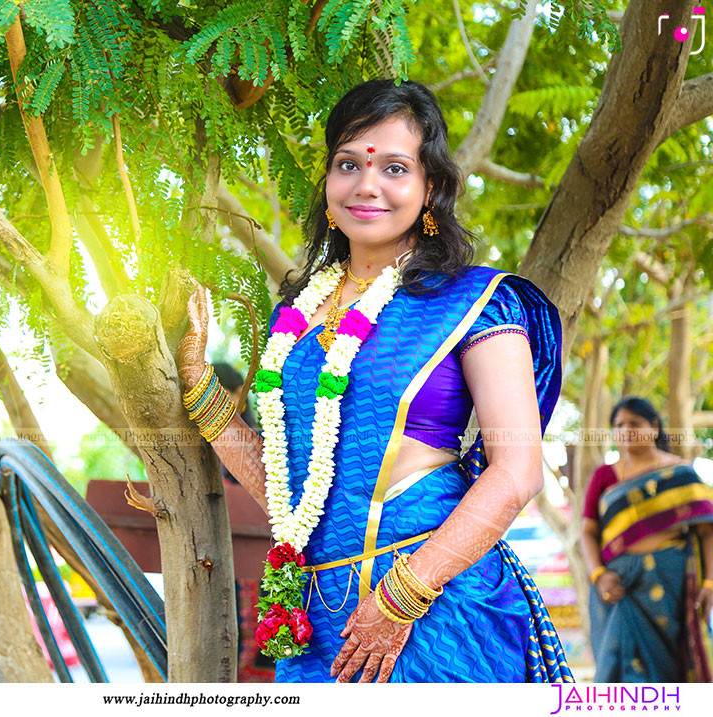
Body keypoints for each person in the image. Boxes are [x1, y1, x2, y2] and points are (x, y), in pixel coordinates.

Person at [175, 79, 572, 683]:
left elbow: (517, 472)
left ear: (429, 187)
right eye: (348, 164)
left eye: (394, 167)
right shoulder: (299, 316)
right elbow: (287, 490)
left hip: (435, 607)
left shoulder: (479, 302)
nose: (367, 184)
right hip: (314, 617)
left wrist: (401, 598)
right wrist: (199, 385)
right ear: (329, 182)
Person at [581, 396, 713, 682]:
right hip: (618, 585)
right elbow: (588, 531)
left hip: (670, 583)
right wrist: (598, 574)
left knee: (670, 666)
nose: (625, 430)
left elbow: (707, 532)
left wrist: (709, 583)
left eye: (634, 423)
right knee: (614, 667)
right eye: (618, 425)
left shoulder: (682, 473)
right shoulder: (604, 475)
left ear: (654, 426)